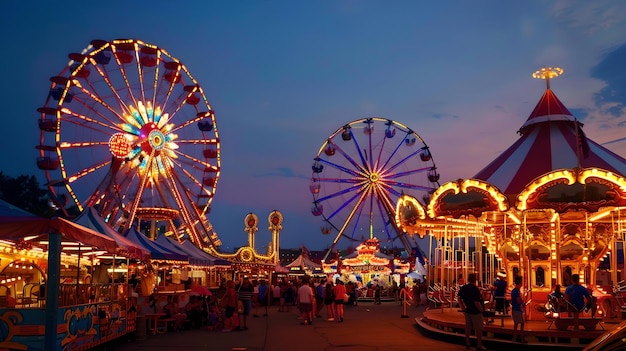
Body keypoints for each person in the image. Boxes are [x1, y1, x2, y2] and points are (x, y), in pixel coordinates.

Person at [458, 273, 486, 351]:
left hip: (467, 310)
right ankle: (479, 345)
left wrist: (463, 307)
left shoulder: (464, 288)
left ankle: (468, 343)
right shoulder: (475, 289)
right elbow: (476, 302)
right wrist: (482, 310)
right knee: (478, 329)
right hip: (475, 311)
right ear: (475, 280)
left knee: (468, 327)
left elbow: (459, 298)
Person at [510, 276, 526, 343]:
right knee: (522, 323)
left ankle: (515, 337)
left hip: (514, 308)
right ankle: (521, 338)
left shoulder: (514, 291)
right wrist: (523, 302)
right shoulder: (516, 291)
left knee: (516, 324)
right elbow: (518, 300)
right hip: (517, 309)